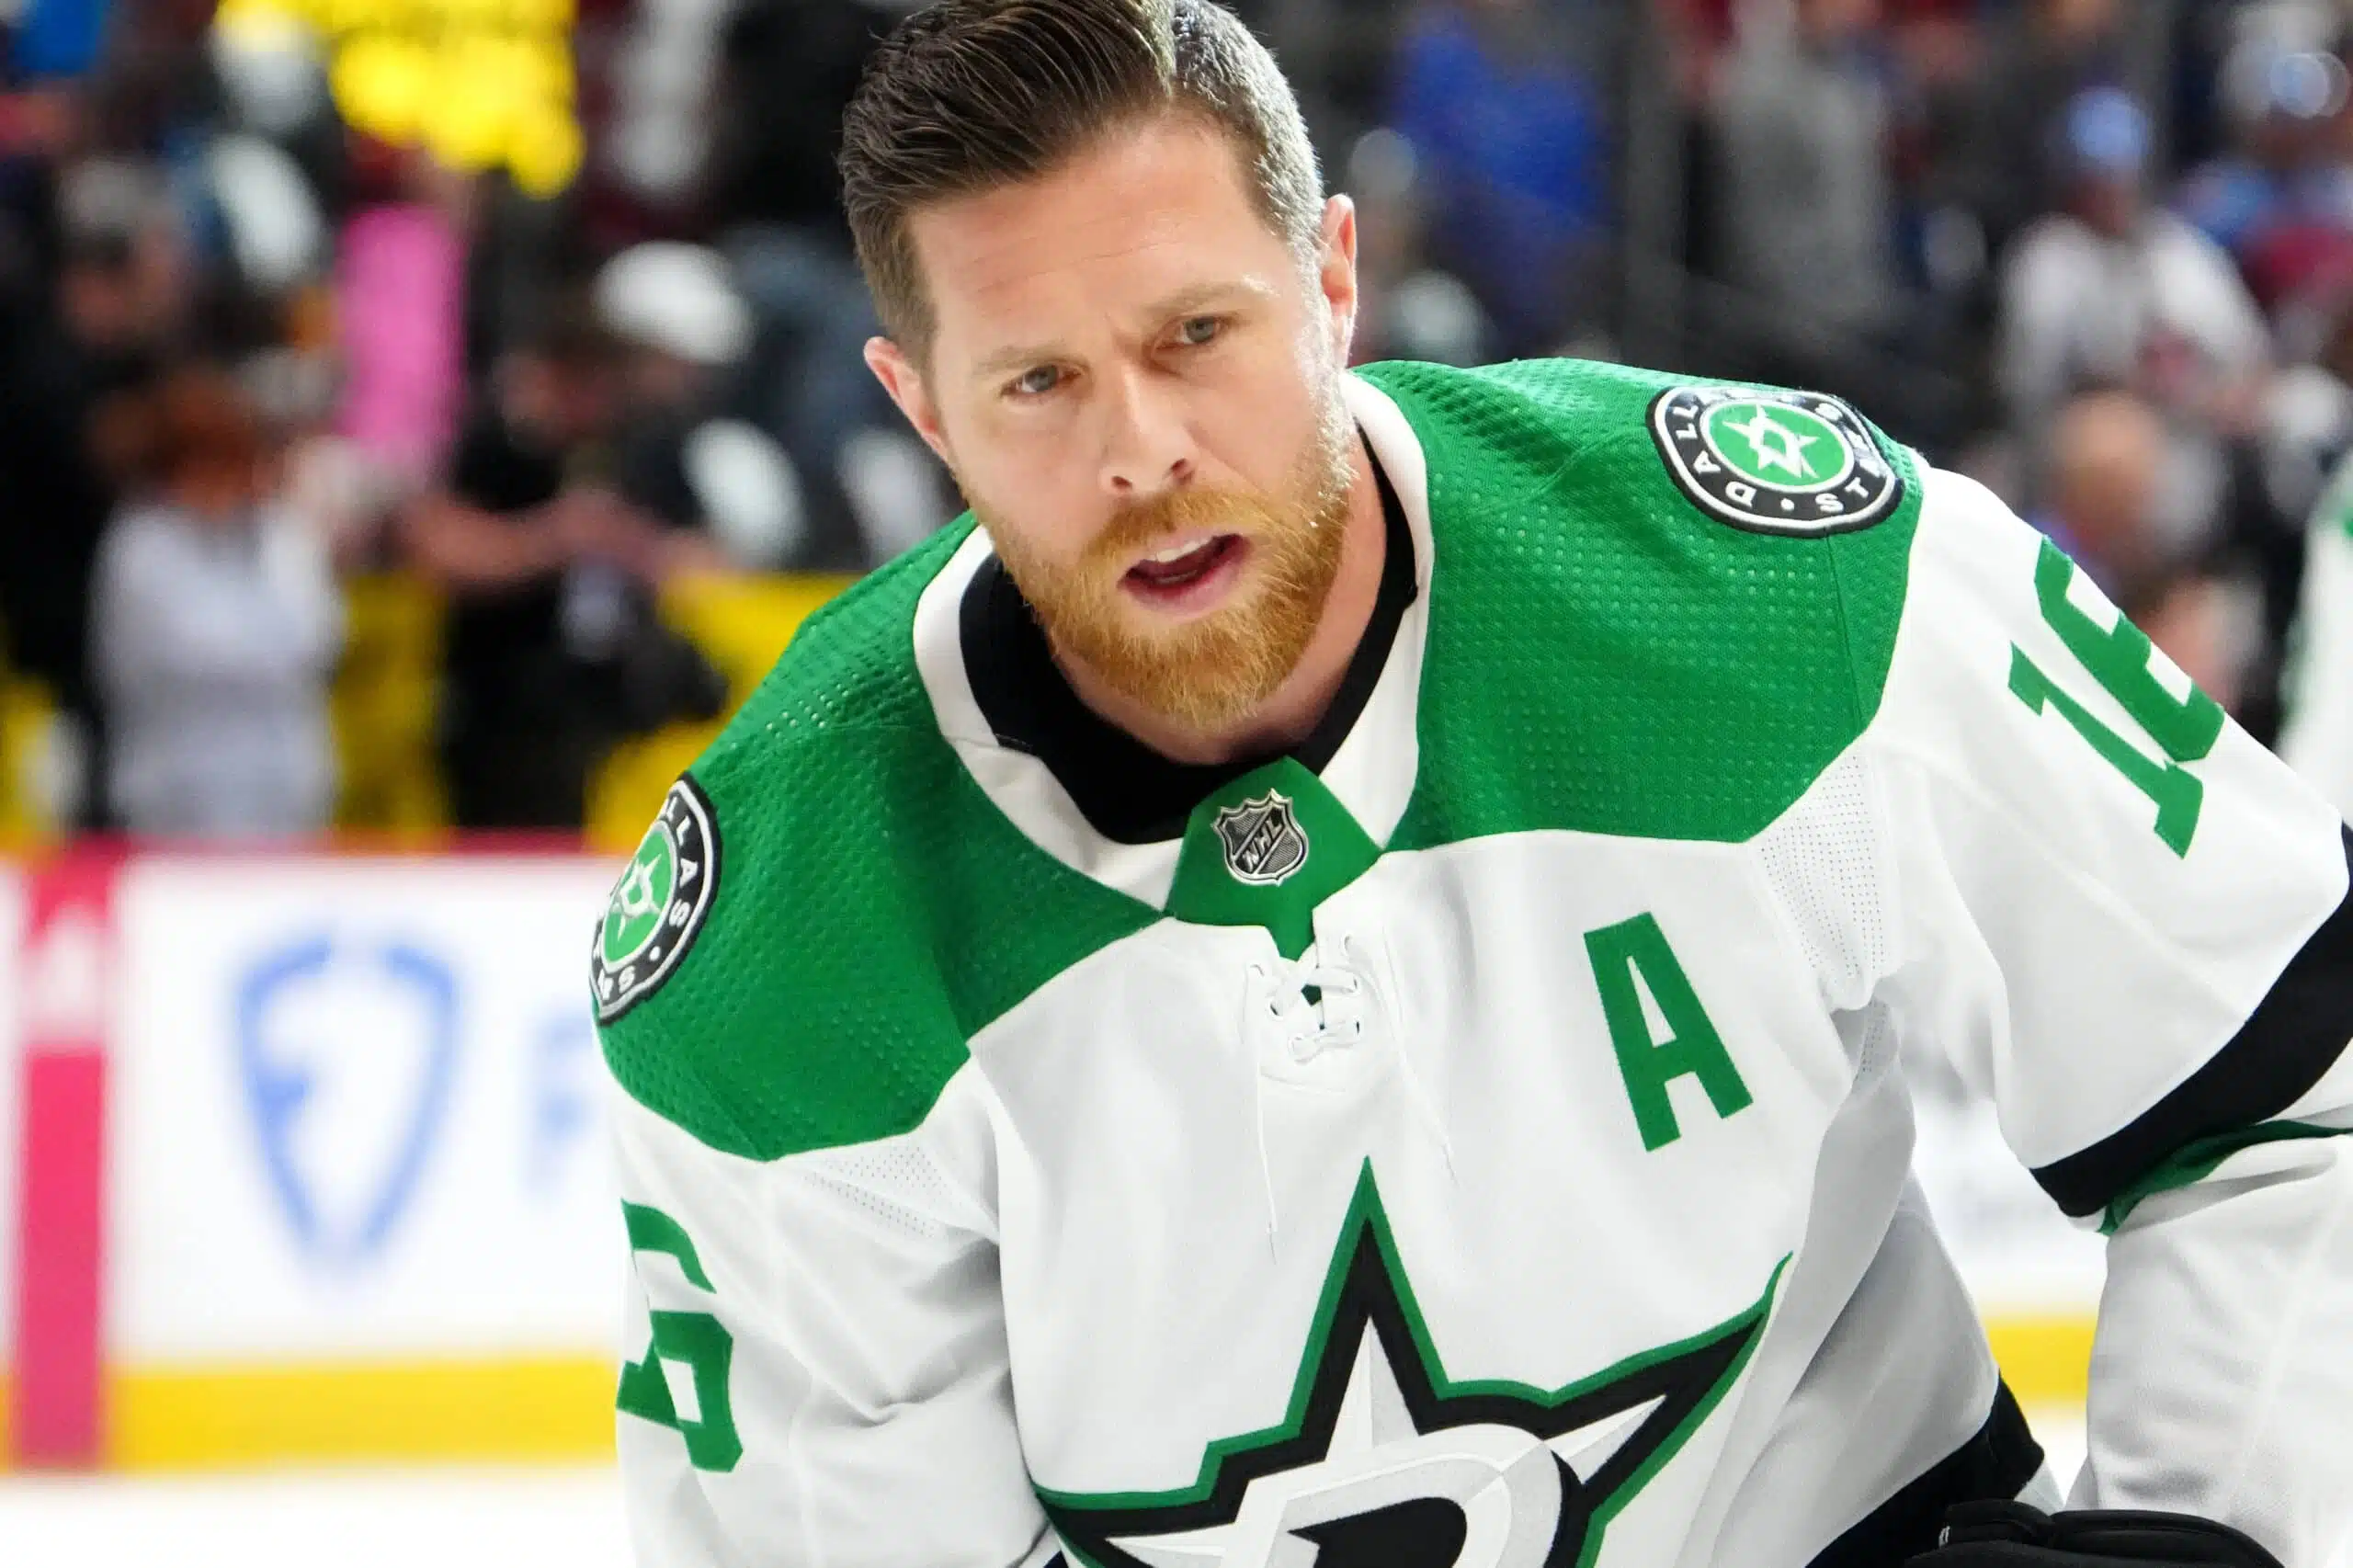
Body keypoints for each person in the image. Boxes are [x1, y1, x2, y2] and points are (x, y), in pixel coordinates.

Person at [591, 3, 2353, 1565]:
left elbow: (2293, 1080)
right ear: (921, 408)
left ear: (1333, 280)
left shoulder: (1785, 599)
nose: (1141, 451)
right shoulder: (778, 955)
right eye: (1038, 380)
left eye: (1195, 331)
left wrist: (2212, 1537)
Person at [403, 306, 726, 832]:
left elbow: (707, 563)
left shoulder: (639, 453)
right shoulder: (498, 452)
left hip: (614, 711)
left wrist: (632, 545)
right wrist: (550, 538)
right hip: (503, 708)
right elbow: (439, 548)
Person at [89, 366, 343, 837]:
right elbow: (189, 650)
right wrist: (260, 648)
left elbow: (317, 637)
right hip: (176, 791)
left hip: (284, 784)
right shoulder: (140, 546)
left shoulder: (281, 535)